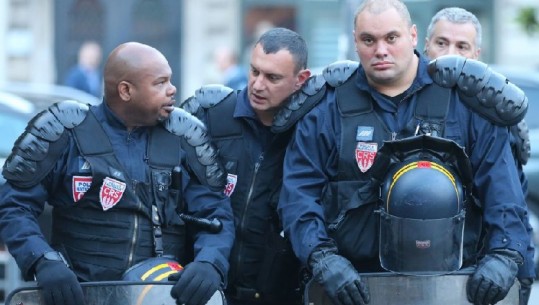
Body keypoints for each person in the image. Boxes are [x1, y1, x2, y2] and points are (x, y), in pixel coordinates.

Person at [278, 1, 531, 305]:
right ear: (355, 42)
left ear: (413, 36)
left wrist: (503, 255)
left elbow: (503, 192)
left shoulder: (465, 104)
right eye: (369, 40)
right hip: (352, 287)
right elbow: (298, 195)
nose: (381, 50)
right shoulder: (326, 111)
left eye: (391, 38)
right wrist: (321, 258)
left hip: (452, 287)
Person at [0, 42, 235, 305]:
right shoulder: (64, 131)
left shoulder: (186, 137)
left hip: (160, 296)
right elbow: (15, 204)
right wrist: (42, 261)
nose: (172, 90)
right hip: (78, 295)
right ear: (125, 90)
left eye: (170, 80)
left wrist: (209, 262)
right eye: (160, 83)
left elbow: (215, 213)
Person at [181, 27, 312, 305]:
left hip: (280, 293)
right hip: (206, 289)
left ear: (301, 80)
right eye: (254, 72)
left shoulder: (311, 130)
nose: (258, 85)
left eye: (272, 77)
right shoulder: (211, 117)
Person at [425, 7, 535, 305]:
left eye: (461, 46)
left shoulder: (493, 111)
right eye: (442, 43)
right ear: (425, 45)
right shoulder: (408, 97)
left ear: (476, 54)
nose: (450, 53)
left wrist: (510, 267)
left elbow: (509, 202)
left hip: (485, 266)